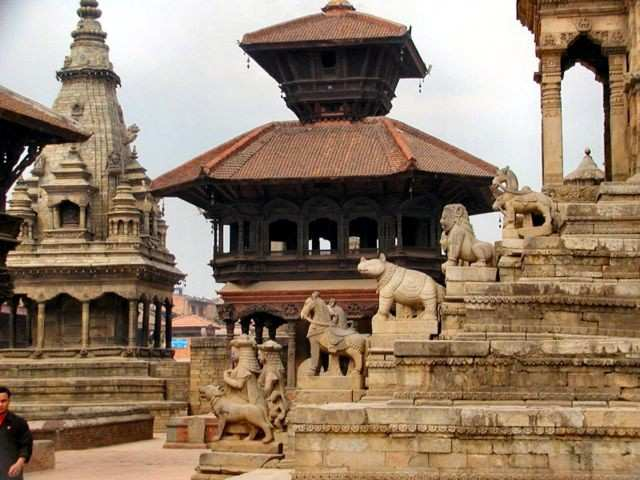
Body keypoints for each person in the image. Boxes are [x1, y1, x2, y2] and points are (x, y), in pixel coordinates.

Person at [0, 387, 32, 480]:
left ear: (9, 401)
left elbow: (26, 445)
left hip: (11, 472)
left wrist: (19, 463)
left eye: (3, 401)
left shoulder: (19, 422)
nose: (0, 404)